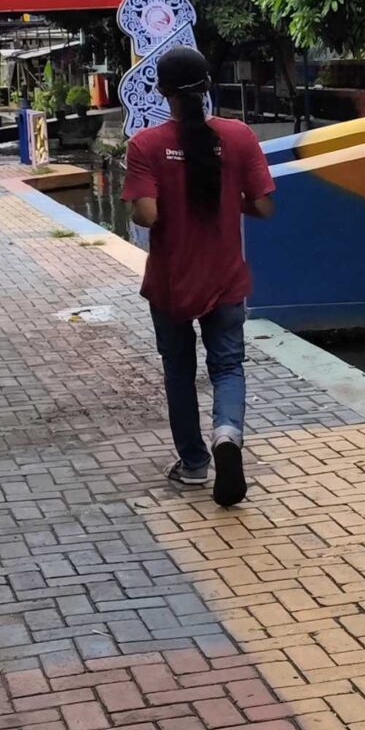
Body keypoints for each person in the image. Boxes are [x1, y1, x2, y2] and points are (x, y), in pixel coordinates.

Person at [125, 47, 274, 505]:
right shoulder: (239, 136)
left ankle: (193, 465)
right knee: (228, 367)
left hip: (171, 283)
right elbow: (264, 205)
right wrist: (230, 200)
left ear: (162, 91)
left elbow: (147, 215)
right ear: (208, 86)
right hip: (225, 279)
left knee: (179, 371)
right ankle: (227, 434)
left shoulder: (145, 145)